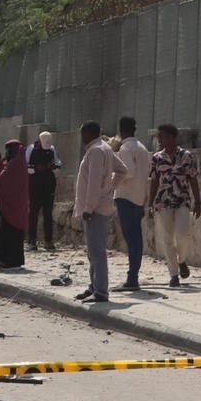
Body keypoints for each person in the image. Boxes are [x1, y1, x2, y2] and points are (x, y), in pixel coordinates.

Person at [73, 120, 127, 304]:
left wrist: (89, 207)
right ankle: (94, 286)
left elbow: (94, 184)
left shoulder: (96, 151)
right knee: (93, 251)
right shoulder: (104, 148)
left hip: (95, 209)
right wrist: (110, 188)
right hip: (99, 205)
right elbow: (122, 170)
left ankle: (101, 291)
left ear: (88, 133)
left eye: (82, 134)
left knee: (97, 252)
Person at [147, 123, 201, 289]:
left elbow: (193, 179)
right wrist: (150, 204)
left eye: (161, 136)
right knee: (167, 238)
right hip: (163, 202)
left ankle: (182, 260)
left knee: (182, 234)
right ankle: (173, 274)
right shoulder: (157, 157)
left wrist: (198, 202)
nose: (159, 139)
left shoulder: (186, 156)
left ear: (171, 137)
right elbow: (155, 181)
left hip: (182, 200)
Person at [114, 116, 153, 291]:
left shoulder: (125, 148)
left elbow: (127, 172)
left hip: (126, 197)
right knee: (136, 240)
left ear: (121, 130)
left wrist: (110, 183)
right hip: (139, 198)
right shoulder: (143, 148)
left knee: (132, 240)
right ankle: (133, 277)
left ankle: (132, 279)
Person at [0, 140, 29, 269]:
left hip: (13, 205)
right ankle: (8, 259)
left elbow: (2, 179)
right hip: (14, 205)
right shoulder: (17, 163)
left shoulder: (15, 164)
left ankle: (12, 261)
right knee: (9, 232)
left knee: (12, 234)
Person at [27, 130, 60, 251]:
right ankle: (31, 241)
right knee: (34, 213)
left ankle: (48, 240)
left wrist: (54, 166)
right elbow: (26, 165)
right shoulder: (31, 149)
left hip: (48, 184)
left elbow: (58, 163)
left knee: (48, 213)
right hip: (35, 183)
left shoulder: (51, 150)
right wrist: (36, 167)